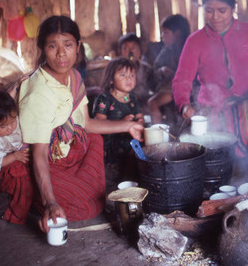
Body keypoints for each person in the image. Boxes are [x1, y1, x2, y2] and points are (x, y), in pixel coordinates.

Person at [13, 15, 143, 232]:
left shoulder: (74, 76)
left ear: (78, 47)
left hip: (67, 150)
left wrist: (127, 126)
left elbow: (89, 124)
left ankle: (68, 189)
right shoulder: (38, 92)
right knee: (82, 207)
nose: (61, 53)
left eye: (68, 45)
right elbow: (38, 153)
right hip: (43, 158)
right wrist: (50, 202)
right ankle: (42, 199)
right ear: (42, 49)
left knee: (94, 141)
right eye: (52, 46)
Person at [172, 0, 248, 175]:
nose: (215, 16)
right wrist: (184, 104)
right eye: (209, 10)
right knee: (218, 168)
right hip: (214, 114)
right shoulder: (195, 41)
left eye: (222, 10)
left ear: (233, 8)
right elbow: (182, 80)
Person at [92, 57, 143, 171]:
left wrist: (140, 125)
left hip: (131, 144)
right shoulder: (104, 99)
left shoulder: (134, 97)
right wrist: (123, 123)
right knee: (114, 174)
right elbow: (99, 124)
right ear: (111, 79)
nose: (128, 79)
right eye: (123, 75)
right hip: (111, 148)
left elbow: (140, 117)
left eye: (132, 75)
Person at [148, 14, 190, 124]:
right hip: (169, 88)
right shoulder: (166, 50)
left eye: (166, 32)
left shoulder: (188, 49)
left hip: (182, 89)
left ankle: (156, 137)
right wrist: (161, 70)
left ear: (177, 34)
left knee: (152, 103)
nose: (162, 36)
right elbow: (155, 69)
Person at [118, 33, 156, 113]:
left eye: (133, 48)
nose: (130, 51)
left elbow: (154, 87)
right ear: (120, 52)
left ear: (140, 51)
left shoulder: (146, 69)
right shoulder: (116, 70)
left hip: (144, 101)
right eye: (126, 48)